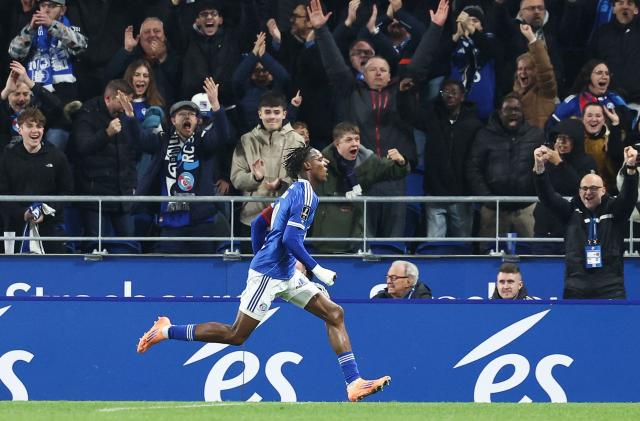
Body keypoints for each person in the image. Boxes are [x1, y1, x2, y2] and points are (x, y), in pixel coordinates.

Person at [137, 145, 392, 402]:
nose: (324, 162)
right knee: (235, 335)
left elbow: (260, 223)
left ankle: (354, 382)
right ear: (307, 166)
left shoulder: (290, 193)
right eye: (318, 158)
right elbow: (291, 239)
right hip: (270, 274)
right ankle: (166, 330)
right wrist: (316, 269)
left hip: (286, 272)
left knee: (335, 313)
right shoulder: (305, 194)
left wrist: (265, 254)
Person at [126, 78, 233, 254]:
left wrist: (216, 106)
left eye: (191, 115)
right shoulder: (163, 141)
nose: (187, 117)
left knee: (202, 271)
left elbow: (223, 135)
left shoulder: (203, 142)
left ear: (197, 121)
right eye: (182, 114)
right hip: (170, 221)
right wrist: (130, 117)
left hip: (201, 221)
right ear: (173, 120)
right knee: (171, 271)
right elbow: (139, 140)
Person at [533, 144, 639, 299]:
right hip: (576, 286)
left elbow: (629, 196)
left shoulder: (615, 211)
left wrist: (630, 168)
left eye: (594, 188)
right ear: (579, 191)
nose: (588, 192)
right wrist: (539, 167)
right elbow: (547, 197)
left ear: (603, 190)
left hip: (611, 286)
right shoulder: (570, 211)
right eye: (585, 188)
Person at [398, 78, 482, 238]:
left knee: (462, 246)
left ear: (462, 97)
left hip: (462, 196)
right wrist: (404, 94)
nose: (449, 96)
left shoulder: (474, 125)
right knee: (434, 247)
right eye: (445, 92)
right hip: (435, 194)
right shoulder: (432, 118)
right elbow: (408, 114)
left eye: (454, 93)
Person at [311, 121, 410, 253]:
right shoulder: (320, 164)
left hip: (354, 238)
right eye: (349, 140)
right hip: (326, 239)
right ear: (337, 143)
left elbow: (394, 171)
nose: (355, 143)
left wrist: (401, 161)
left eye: (357, 139)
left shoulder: (368, 163)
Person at [230, 91, 305, 253]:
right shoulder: (246, 140)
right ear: (260, 113)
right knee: (252, 274)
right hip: (251, 219)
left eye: (277, 112)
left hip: (286, 220)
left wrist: (282, 185)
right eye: (268, 112)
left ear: (284, 114)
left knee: (284, 273)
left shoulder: (297, 141)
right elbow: (236, 178)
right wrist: (255, 178)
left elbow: (303, 181)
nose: (272, 117)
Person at [467, 93, 544, 249]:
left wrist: (535, 196)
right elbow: (473, 168)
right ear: (500, 112)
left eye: (517, 109)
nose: (513, 113)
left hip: (527, 208)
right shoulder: (484, 135)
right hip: (493, 209)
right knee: (488, 257)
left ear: (523, 113)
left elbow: (544, 169)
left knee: (535, 255)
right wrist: (487, 199)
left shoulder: (536, 135)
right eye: (508, 109)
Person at [69, 79, 137, 250]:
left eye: (130, 101)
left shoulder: (127, 116)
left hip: (122, 193)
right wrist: (107, 133)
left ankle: (130, 277)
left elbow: (132, 153)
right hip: (94, 193)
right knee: (94, 246)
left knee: (130, 245)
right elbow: (82, 147)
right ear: (108, 98)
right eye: (123, 101)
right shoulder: (87, 113)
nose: (126, 106)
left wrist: (132, 184)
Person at [0, 106, 73, 254]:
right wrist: (23, 213)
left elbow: (66, 192)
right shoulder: (8, 157)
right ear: (19, 129)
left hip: (51, 227)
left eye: (39, 126)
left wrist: (45, 210)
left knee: (52, 272)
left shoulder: (57, 156)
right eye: (29, 126)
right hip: (15, 227)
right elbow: (3, 194)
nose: (35, 130)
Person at [532, 119, 597, 254]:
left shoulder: (587, 162)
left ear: (576, 141)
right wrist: (538, 165)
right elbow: (539, 187)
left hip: (574, 226)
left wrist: (560, 163)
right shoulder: (547, 161)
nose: (561, 143)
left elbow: (583, 189)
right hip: (546, 224)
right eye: (559, 138)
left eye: (566, 139)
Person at [8, 0, 87, 104]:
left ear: (62, 10)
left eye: (52, 6)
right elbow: (15, 53)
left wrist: (53, 25)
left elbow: (81, 46)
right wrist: (30, 30)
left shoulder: (70, 24)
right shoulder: (30, 25)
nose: (46, 9)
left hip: (65, 90)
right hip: (34, 88)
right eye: (43, 5)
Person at [591, 0, 640, 107]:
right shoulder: (602, 33)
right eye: (620, 3)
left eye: (629, 4)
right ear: (613, 9)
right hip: (609, 97)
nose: (625, 7)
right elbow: (592, 63)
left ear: (636, 10)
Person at [511, 23, 557, 129]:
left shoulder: (546, 92)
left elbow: (545, 69)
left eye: (527, 69)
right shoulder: (514, 95)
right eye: (520, 69)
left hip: (540, 142)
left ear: (536, 71)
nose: (523, 72)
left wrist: (532, 39)